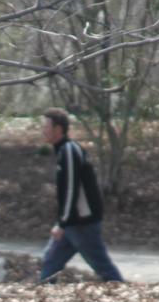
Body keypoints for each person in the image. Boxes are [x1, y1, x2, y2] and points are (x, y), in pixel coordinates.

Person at [39, 107, 124, 283]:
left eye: (46, 126)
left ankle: (126, 297)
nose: (43, 130)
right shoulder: (63, 150)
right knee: (50, 261)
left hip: (82, 224)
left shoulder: (69, 150)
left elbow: (71, 188)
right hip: (72, 223)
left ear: (58, 129)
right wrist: (63, 222)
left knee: (102, 267)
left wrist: (62, 223)